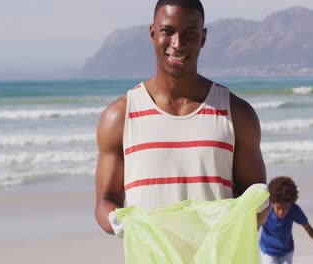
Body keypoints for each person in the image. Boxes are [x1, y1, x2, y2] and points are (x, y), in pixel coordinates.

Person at [95, 0, 268, 237]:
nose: (178, 43)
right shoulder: (119, 117)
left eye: (190, 33)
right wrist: (119, 223)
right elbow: (106, 200)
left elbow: (257, 200)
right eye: (168, 31)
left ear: (203, 38)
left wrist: (242, 219)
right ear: (152, 33)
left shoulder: (236, 113)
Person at [259, 176, 313, 264]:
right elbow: (254, 227)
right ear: (273, 203)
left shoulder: (294, 210)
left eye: (285, 208)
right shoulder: (265, 210)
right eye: (278, 208)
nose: (281, 212)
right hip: (268, 250)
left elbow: (309, 230)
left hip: (286, 250)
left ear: (290, 204)